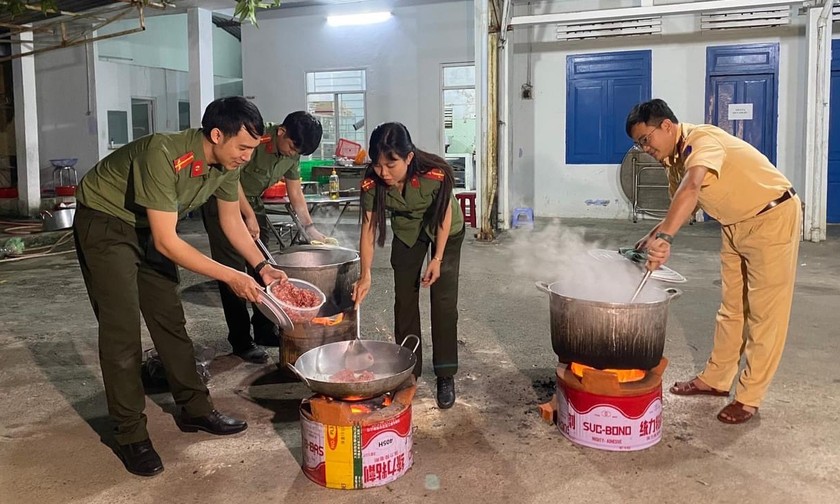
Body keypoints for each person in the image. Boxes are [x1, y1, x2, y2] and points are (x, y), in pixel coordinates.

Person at [73, 96, 288, 477]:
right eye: (242, 147)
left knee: (170, 320)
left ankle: (196, 410)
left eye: (253, 149)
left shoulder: (227, 164)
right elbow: (167, 242)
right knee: (122, 329)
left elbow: (231, 222)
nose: (247, 157)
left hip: (151, 227)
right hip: (107, 221)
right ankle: (130, 434)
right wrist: (231, 275)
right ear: (216, 134)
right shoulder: (163, 153)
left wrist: (261, 267)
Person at [625, 98, 800, 425]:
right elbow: (685, 201)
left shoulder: (702, 140)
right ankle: (717, 380)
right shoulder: (673, 159)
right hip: (734, 224)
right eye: (638, 144)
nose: (643, 148)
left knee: (765, 313)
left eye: (645, 140)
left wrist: (665, 239)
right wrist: (654, 234)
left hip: (771, 216)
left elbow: (693, 186)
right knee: (732, 307)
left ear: (666, 125)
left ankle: (749, 397)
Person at [352, 122, 465, 409]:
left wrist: (437, 259)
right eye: (378, 165)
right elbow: (368, 229)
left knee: (443, 300)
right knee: (404, 299)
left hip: (444, 230)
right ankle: (408, 371)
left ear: (409, 158)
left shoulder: (435, 173)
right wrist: (364, 274)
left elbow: (442, 218)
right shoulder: (371, 182)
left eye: (392, 164)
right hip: (407, 231)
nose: (384, 173)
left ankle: (445, 372)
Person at [201, 111, 325, 364]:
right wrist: (246, 215)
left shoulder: (293, 152)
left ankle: (264, 329)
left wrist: (309, 228)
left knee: (263, 266)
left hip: (253, 202)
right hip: (222, 199)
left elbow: (295, 191)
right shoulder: (255, 140)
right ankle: (241, 341)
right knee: (234, 271)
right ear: (280, 131)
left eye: (298, 152)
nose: (293, 154)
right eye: (292, 147)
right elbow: (230, 177)